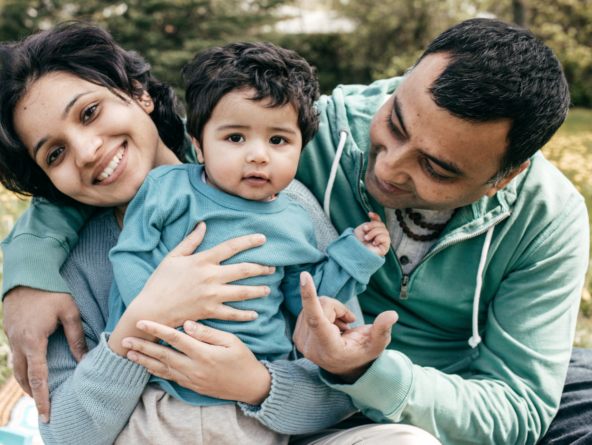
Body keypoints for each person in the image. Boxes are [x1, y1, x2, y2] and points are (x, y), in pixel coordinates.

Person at [0, 18, 592, 445]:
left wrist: (349, 374)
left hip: (431, 382)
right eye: (395, 120)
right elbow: (122, 171)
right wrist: (28, 267)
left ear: (505, 175)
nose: (387, 166)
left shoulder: (547, 219)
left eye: (436, 167)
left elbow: (520, 405)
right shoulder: (311, 133)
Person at [0, 22, 436, 444]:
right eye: (54, 153)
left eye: (90, 112)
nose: (85, 150)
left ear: (138, 93)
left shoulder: (284, 205)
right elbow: (65, 434)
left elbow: (336, 391)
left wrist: (255, 384)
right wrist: (142, 318)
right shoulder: (62, 270)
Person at [104, 41, 391, 408]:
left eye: (278, 140)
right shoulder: (168, 190)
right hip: (164, 381)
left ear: (300, 149)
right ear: (199, 144)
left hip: (253, 391)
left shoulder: (295, 220)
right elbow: (130, 254)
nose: (258, 154)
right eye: (235, 137)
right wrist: (152, 317)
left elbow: (307, 301)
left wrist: (356, 255)